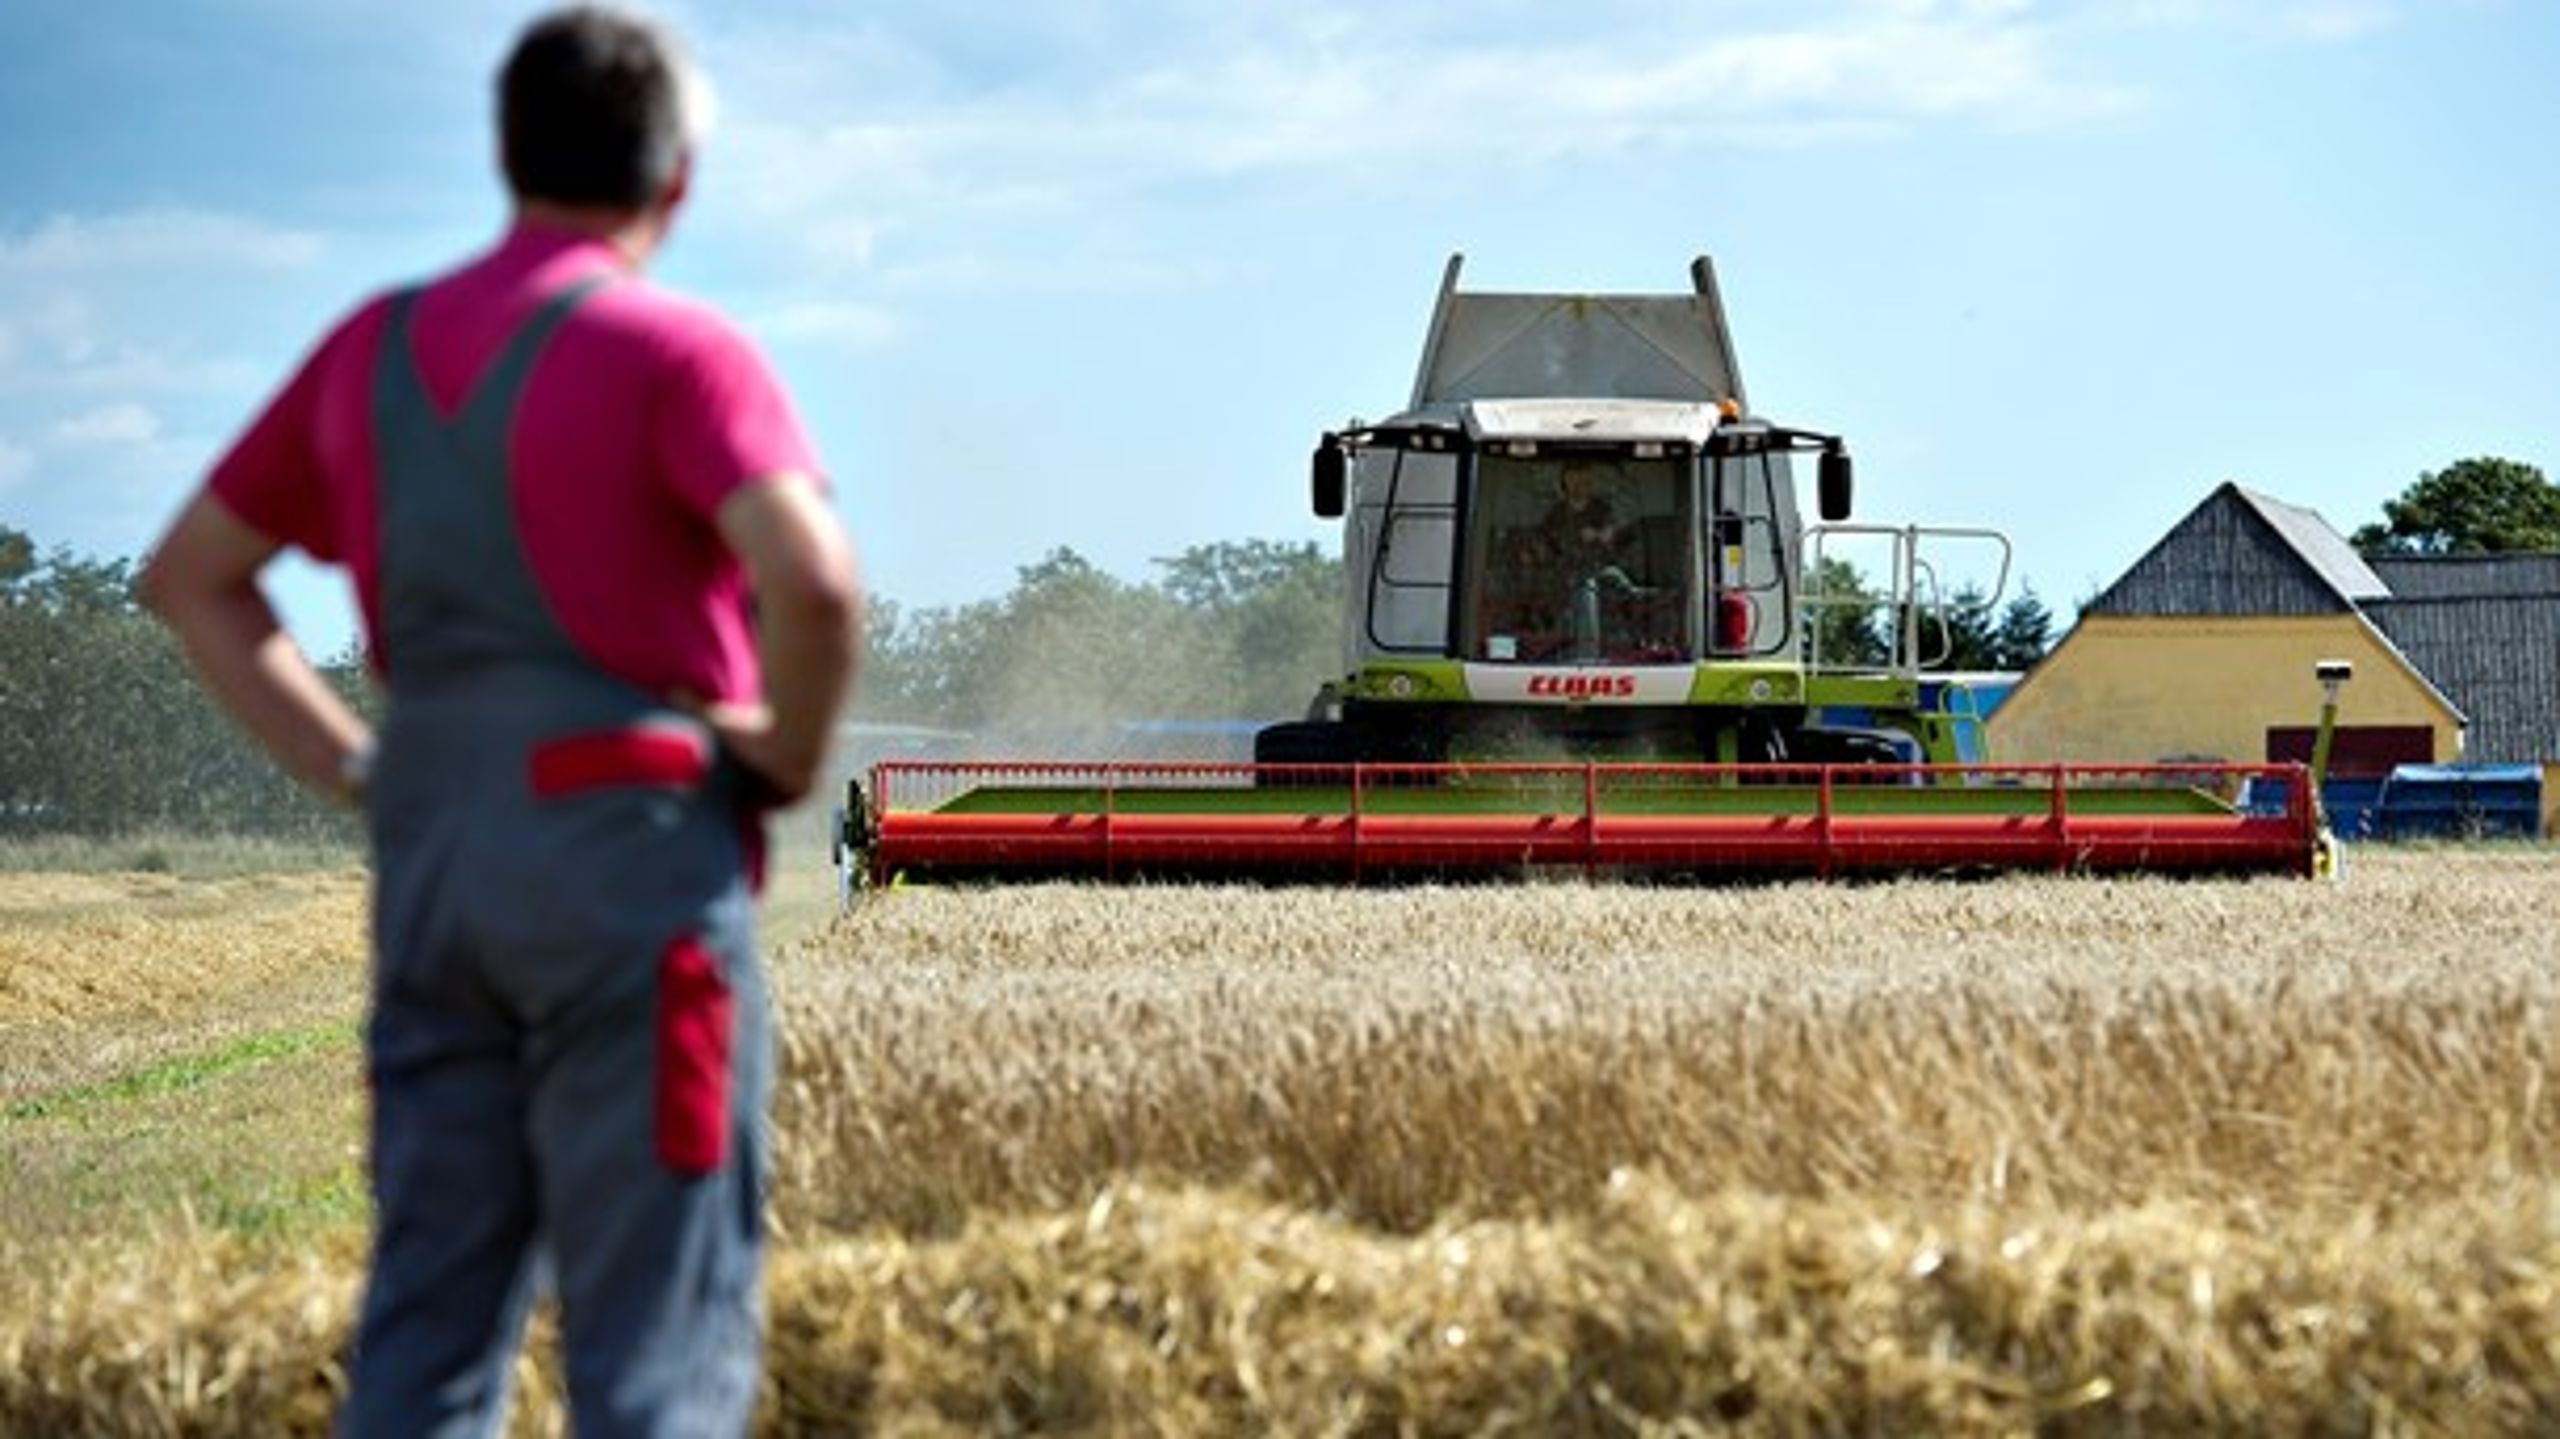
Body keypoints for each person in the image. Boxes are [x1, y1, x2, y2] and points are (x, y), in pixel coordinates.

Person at [140, 7, 861, 1434]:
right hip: (630, 869)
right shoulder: (678, 352)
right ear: (678, 181)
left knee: (428, 1329)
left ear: (505, 154)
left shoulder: (373, 346)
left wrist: (356, 769)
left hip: (437, 866)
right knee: (654, 1345)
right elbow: (816, 583)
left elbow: (192, 577)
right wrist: (779, 754)